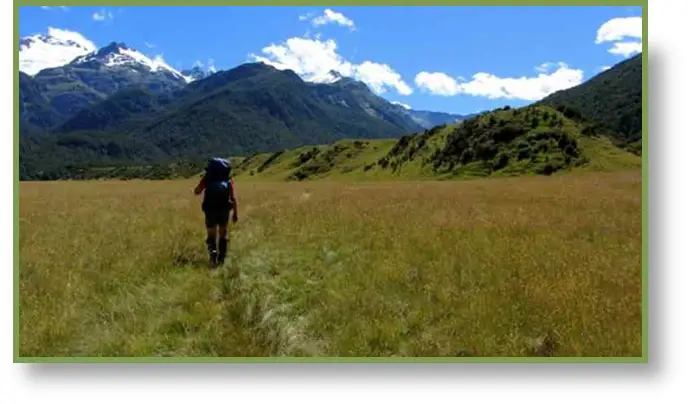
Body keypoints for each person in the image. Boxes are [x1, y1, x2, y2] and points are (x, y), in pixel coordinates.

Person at [194, 157, 238, 268]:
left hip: (210, 209)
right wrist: (235, 214)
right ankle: (222, 259)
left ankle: (213, 255)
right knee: (223, 234)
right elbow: (233, 198)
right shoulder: (228, 180)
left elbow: (197, 191)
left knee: (211, 234)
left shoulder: (208, 178)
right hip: (224, 210)